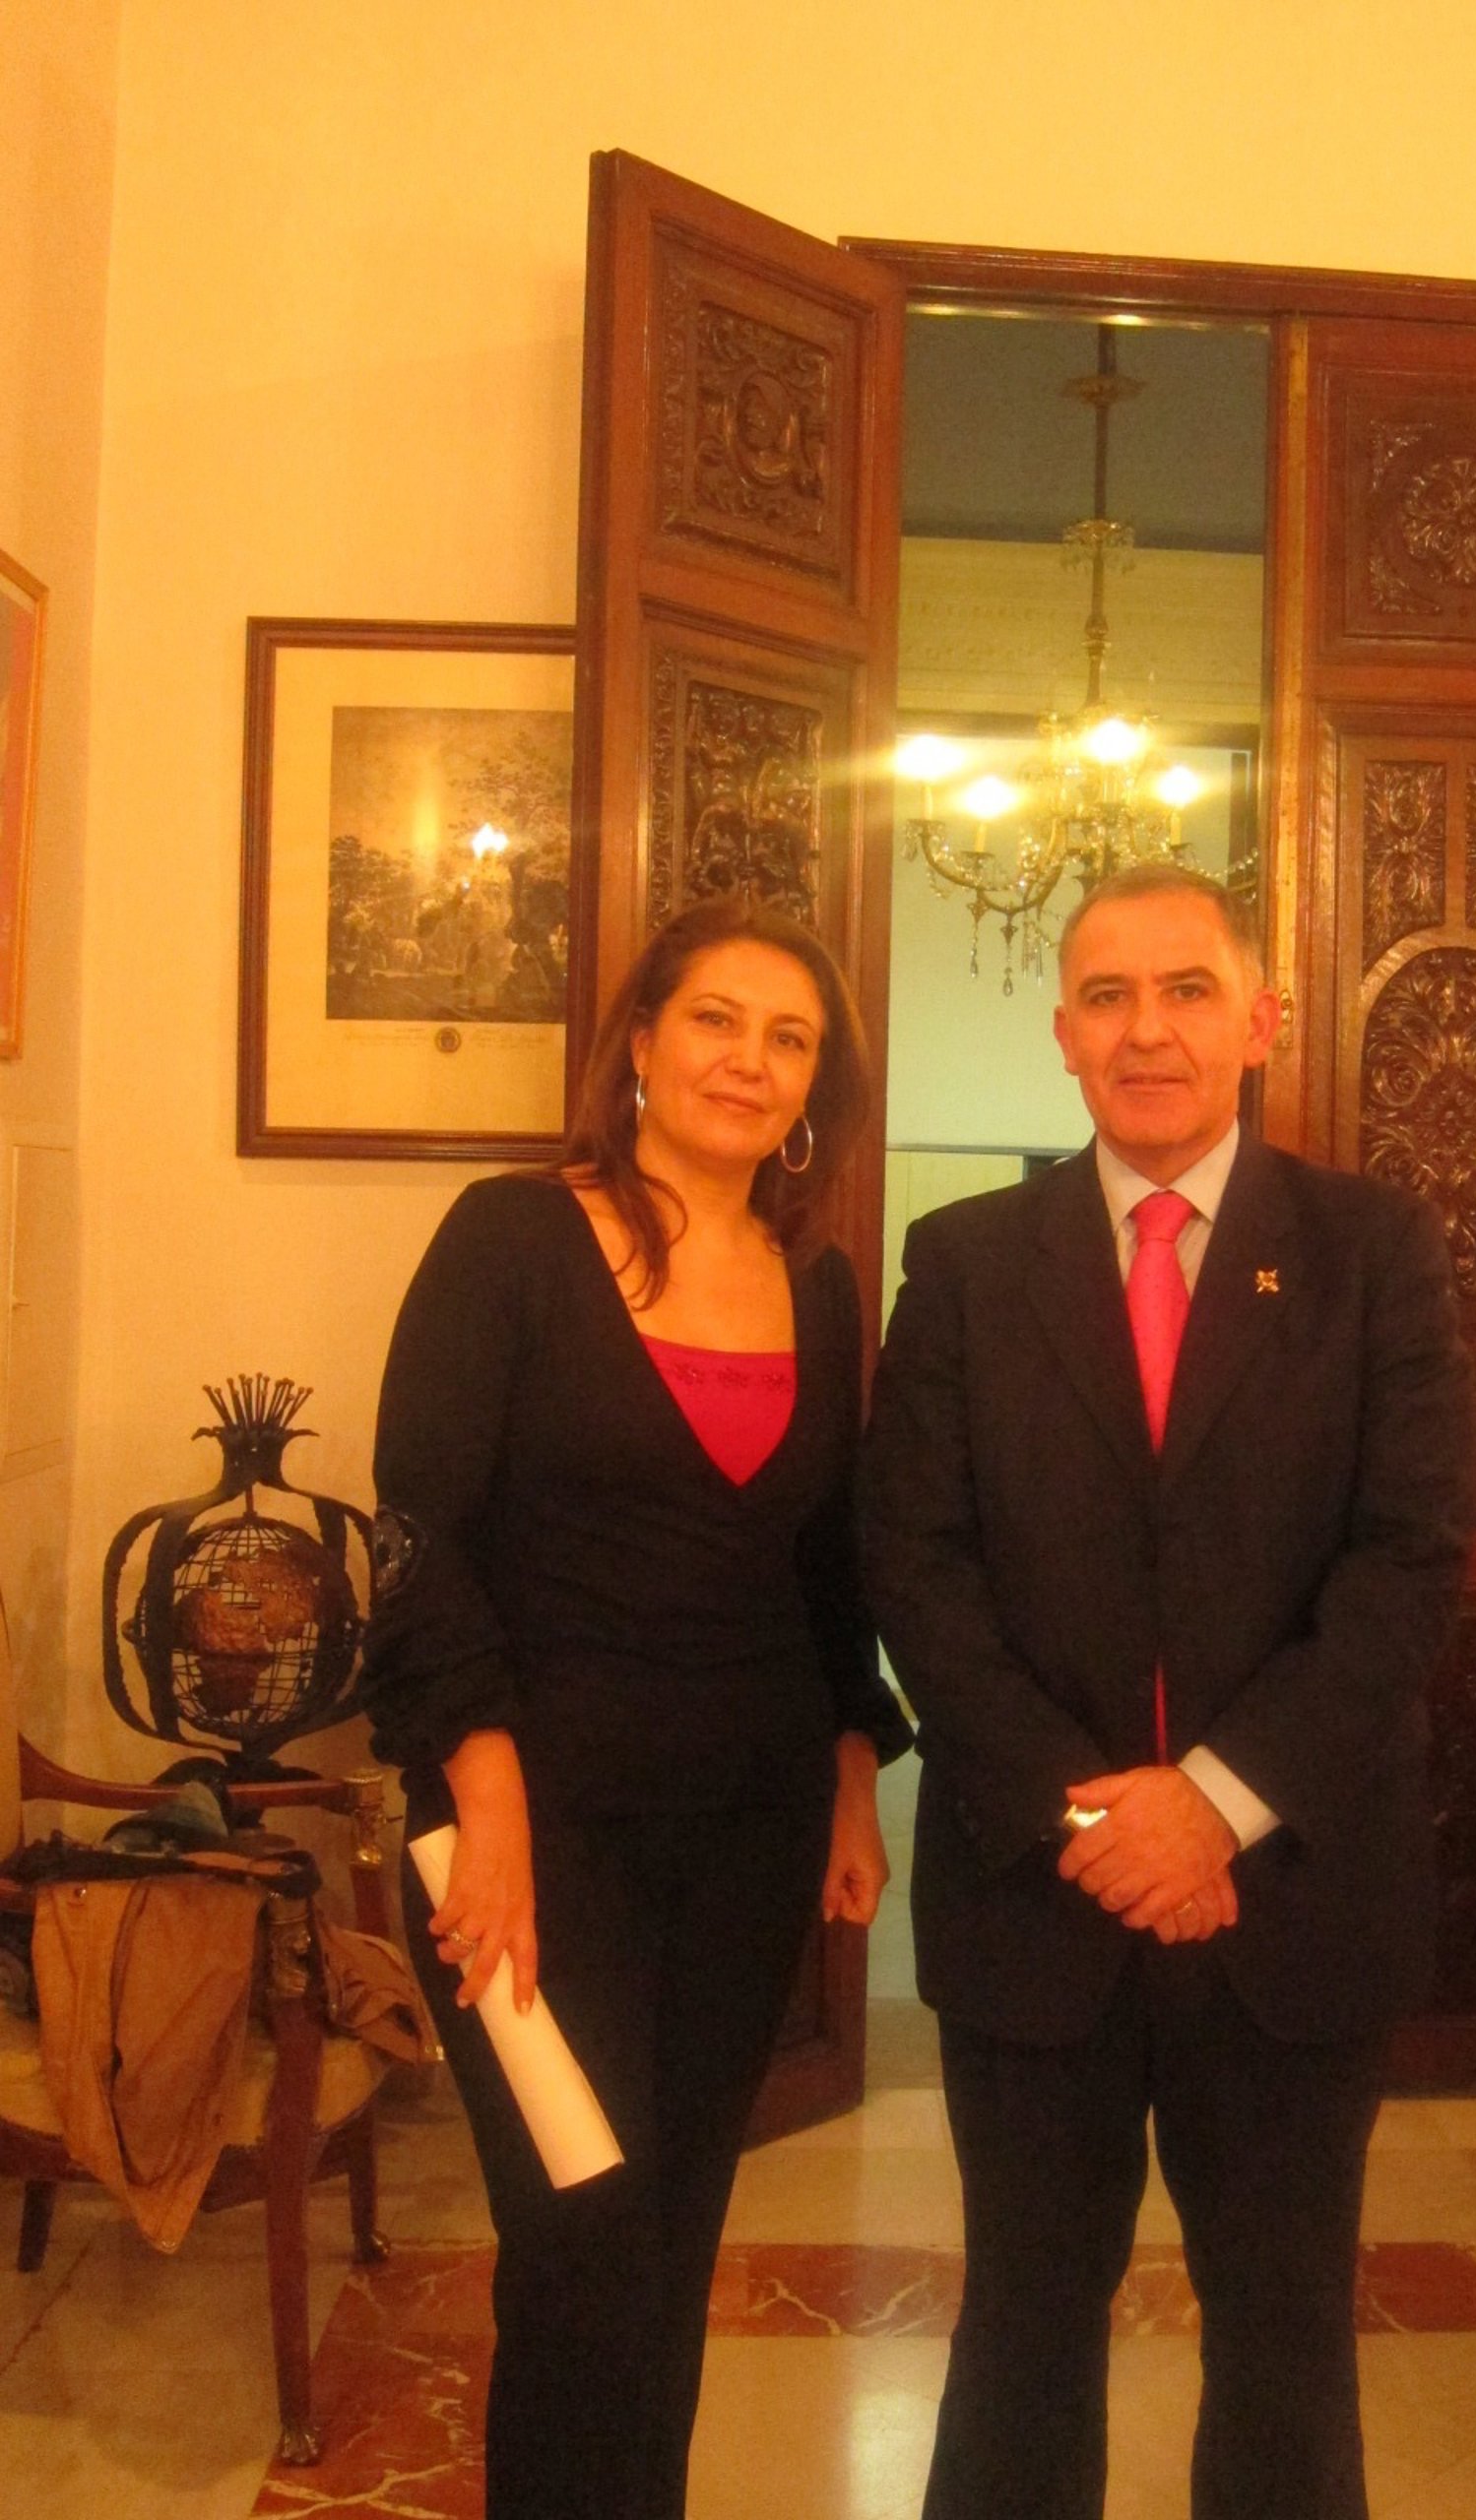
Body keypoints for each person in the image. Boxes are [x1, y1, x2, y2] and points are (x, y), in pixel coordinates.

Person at [862, 864, 1476, 2520]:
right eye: (1109, 996)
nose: (1149, 1031)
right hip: (1035, 1902)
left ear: (1259, 1021)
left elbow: (1409, 1559)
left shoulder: (1370, 1251)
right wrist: (1096, 1818)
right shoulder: (965, 1261)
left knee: (1285, 2345)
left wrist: (1209, 1807)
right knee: (1019, 2338)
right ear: (1063, 1032)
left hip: (1291, 1905)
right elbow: (915, 1565)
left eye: (1188, 990)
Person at [361, 896, 912, 2520]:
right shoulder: (511, 1239)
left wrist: (852, 1774)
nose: (750, 1060)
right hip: (531, 1834)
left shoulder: (818, 1286)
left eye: (790, 1039)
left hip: (745, 1831)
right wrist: (488, 1802)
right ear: (645, 1046)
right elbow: (418, 1529)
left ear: (813, 1088)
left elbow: (826, 1567)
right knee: (580, 2230)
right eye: (718, 1020)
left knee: (672, 2238)